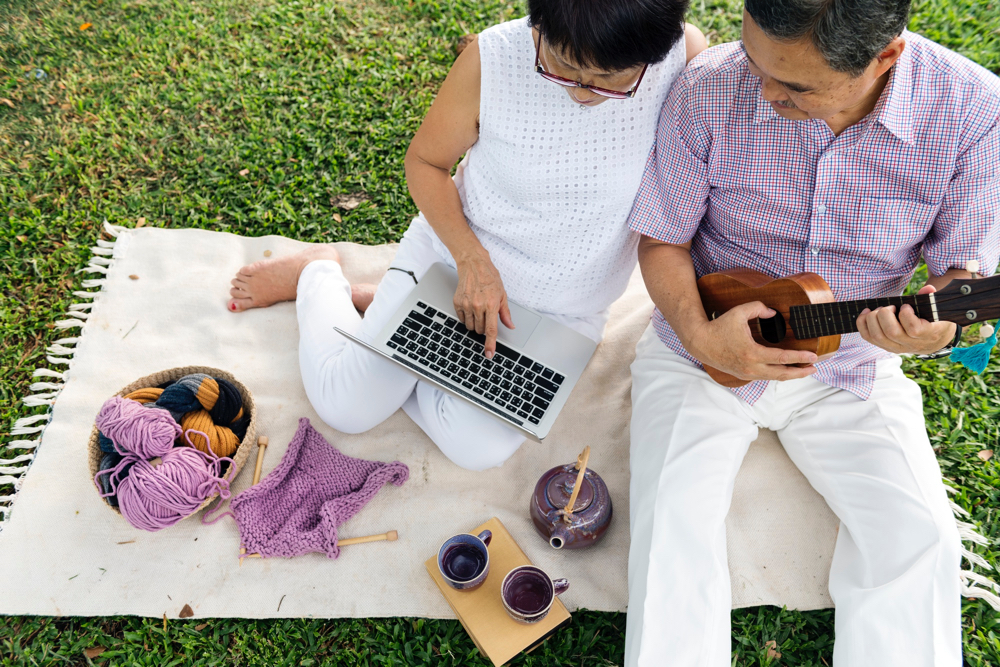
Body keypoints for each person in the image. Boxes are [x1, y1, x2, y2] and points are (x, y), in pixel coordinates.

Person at [625, 0, 1000, 665]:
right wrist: (701, 335)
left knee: (919, 540)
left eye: (795, 85)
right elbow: (661, 239)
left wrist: (934, 333)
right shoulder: (712, 82)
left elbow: (962, 287)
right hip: (702, 342)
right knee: (670, 536)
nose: (763, 92)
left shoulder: (975, 111)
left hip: (853, 361)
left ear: (886, 57)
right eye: (756, 61)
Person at [226, 0, 707, 470]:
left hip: (564, 308)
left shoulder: (683, 58)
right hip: (456, 264)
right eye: (563, 66)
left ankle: (393, 319)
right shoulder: (492, 59)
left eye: (608, 79)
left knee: (477, 449)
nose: (581, 92)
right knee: (346, 407)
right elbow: (426, 163)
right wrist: (472, 261)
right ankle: (319, 275)